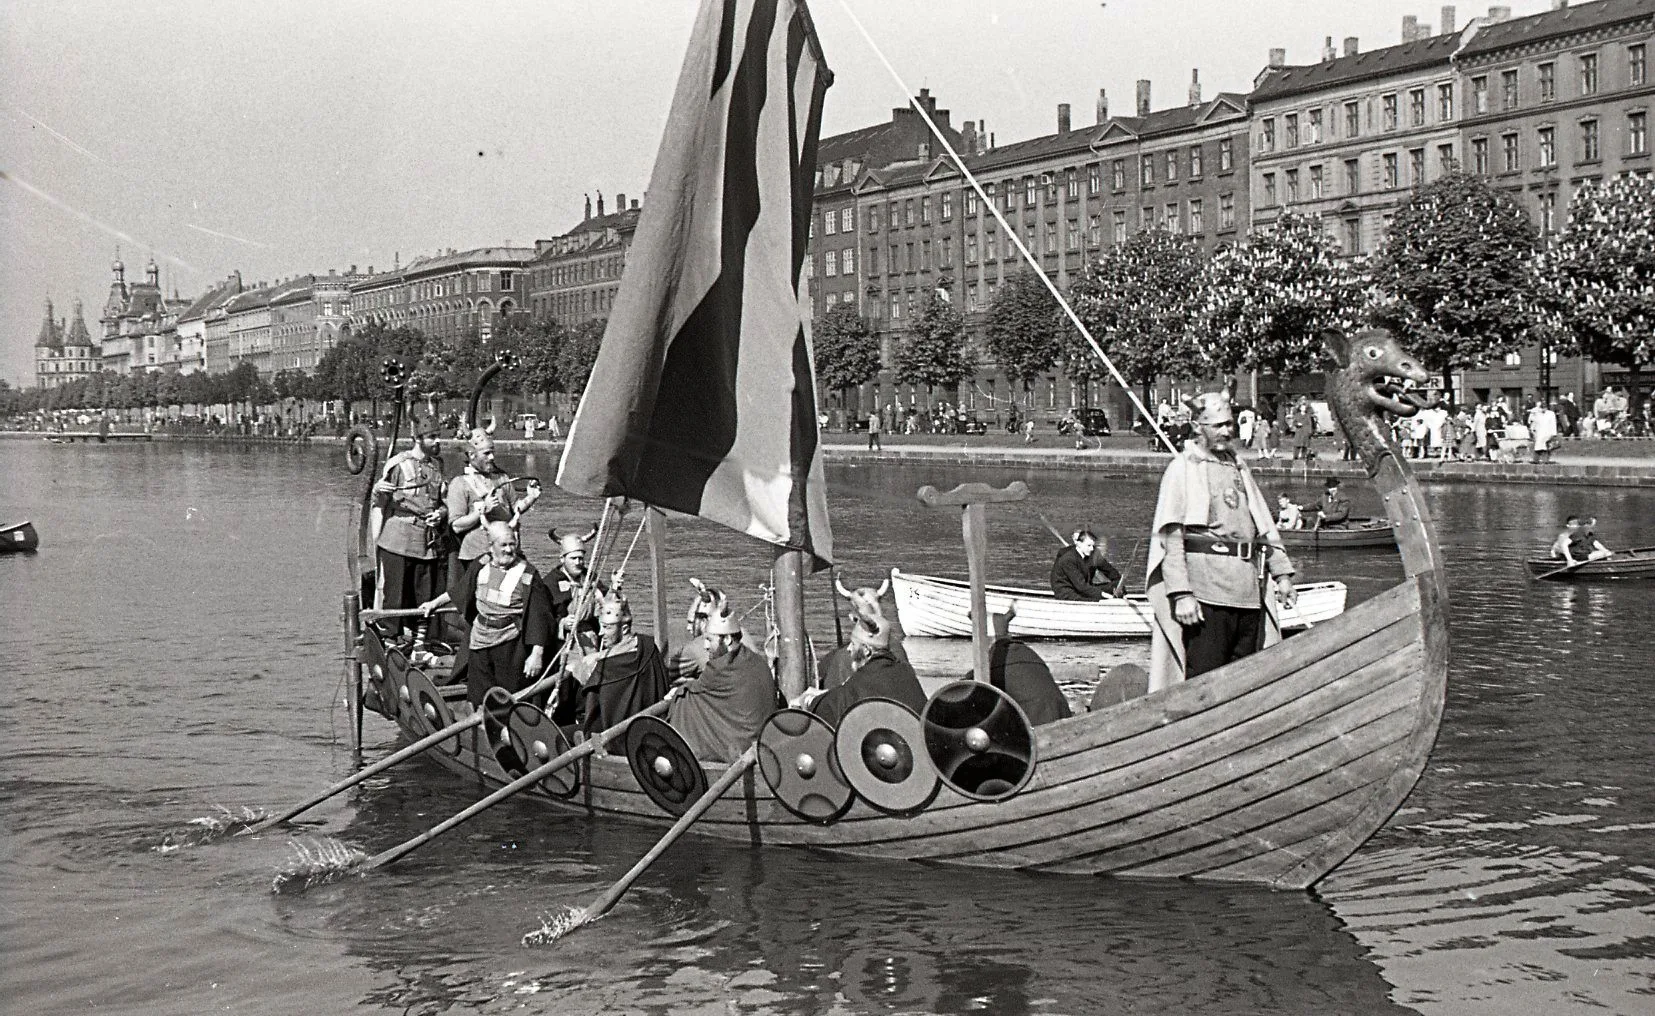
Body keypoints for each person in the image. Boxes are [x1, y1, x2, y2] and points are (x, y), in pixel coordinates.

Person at [1145, 392, 1297, 692]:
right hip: (1206, 593)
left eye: (1229, 424)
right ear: (1198, 426)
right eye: (1218, 426)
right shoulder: (1183, 468)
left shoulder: (1237, 466)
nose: (1227, 431)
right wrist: (1181, 593)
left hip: (1246, 590)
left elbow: (1263, 525)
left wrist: (1282, 575)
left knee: (1244, 682)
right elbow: (1171, 538)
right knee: (1205, 682)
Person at [424, 521, 557, 707]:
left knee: (509, 694)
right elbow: (460, 590)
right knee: (479, 692)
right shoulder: (481, 564)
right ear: (491, 546)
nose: (509, 550)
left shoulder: (528, 574)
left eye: (512, 544)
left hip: (510, 642)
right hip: (480, 638)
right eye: (503, 545)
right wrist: (434, 603)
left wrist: (536, 654)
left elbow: (540, 616)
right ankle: (480, 719)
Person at [373, 417, 449, 655]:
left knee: (425, 595)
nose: (437, 441)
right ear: (417, 439)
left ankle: (420, 644)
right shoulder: (399, 465)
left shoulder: (437, 466)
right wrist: (377, 490)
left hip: (426, 542)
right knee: (395, 595)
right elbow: (380, 501)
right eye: (432, 437)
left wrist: (440, 513)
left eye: (438, 436)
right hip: (398, 540)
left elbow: (443, 502)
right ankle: (390, 642)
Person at [666, 604, 778, 763]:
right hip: (761, 740)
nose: (705, 646)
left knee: (683, 700)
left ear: (727, 639)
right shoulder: (757, 660)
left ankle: (682, 756)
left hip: (741, 747)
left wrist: (680, 690)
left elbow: (695, 692)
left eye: (709, 640)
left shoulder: (719, 667)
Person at [567, 589, 671, 738]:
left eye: (607, 627)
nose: (601, 633)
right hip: (651, 730)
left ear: (624, 628)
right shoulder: (649, 647)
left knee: (560, 734)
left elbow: (593, 716)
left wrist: (580, 666)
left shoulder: (606, 668)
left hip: (613, 739)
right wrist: (600, 655)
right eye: (601, 626)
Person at [446, 429, 540, 585]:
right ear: (472, 455)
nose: (492, 457)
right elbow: (456, 526)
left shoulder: (501, 477)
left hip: (509, 550)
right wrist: (483, 510)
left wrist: (531, 497)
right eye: (486, 454)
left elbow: (515, 507)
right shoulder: (460, 483)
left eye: (492, 453)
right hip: (477, 554)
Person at [799, 614, 926, 727]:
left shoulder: (862, 680)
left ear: (866, 650)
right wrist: (826, 693)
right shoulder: (904, 671)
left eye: (853, 644)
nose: (849, 649)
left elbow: (829, 707)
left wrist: (808, 700)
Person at [963, 608, 1072, 726]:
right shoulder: (1026, 651)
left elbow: (964, 688)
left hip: (1039, 727)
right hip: (1064, 718)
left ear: (987, 638)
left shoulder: (996, 658)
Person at [1049, 529, 1123, 600]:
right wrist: (1105, 595)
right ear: (1079, 544)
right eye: (1089, 545)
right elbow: (1081, 586)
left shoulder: (1092, 554)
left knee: (1115, 586)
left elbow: (1109, 570)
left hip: (1083, 588)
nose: (1092, 549)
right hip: (1068, 592)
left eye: (1093, 546)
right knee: (1094, 598)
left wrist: (1119, 585)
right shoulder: (1068, 559)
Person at [1549, 515, 1613, 565]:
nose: (1594, 527)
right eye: (1592, 525)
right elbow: (1562, 545)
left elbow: (1597, 544)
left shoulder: (1589, 534)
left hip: (1584, 555)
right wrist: (1569, 560)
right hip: (1576, 557)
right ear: (1586, 525)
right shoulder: (1577, 534)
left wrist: (1606, 551)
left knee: (1605, 553)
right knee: (1602, 554)